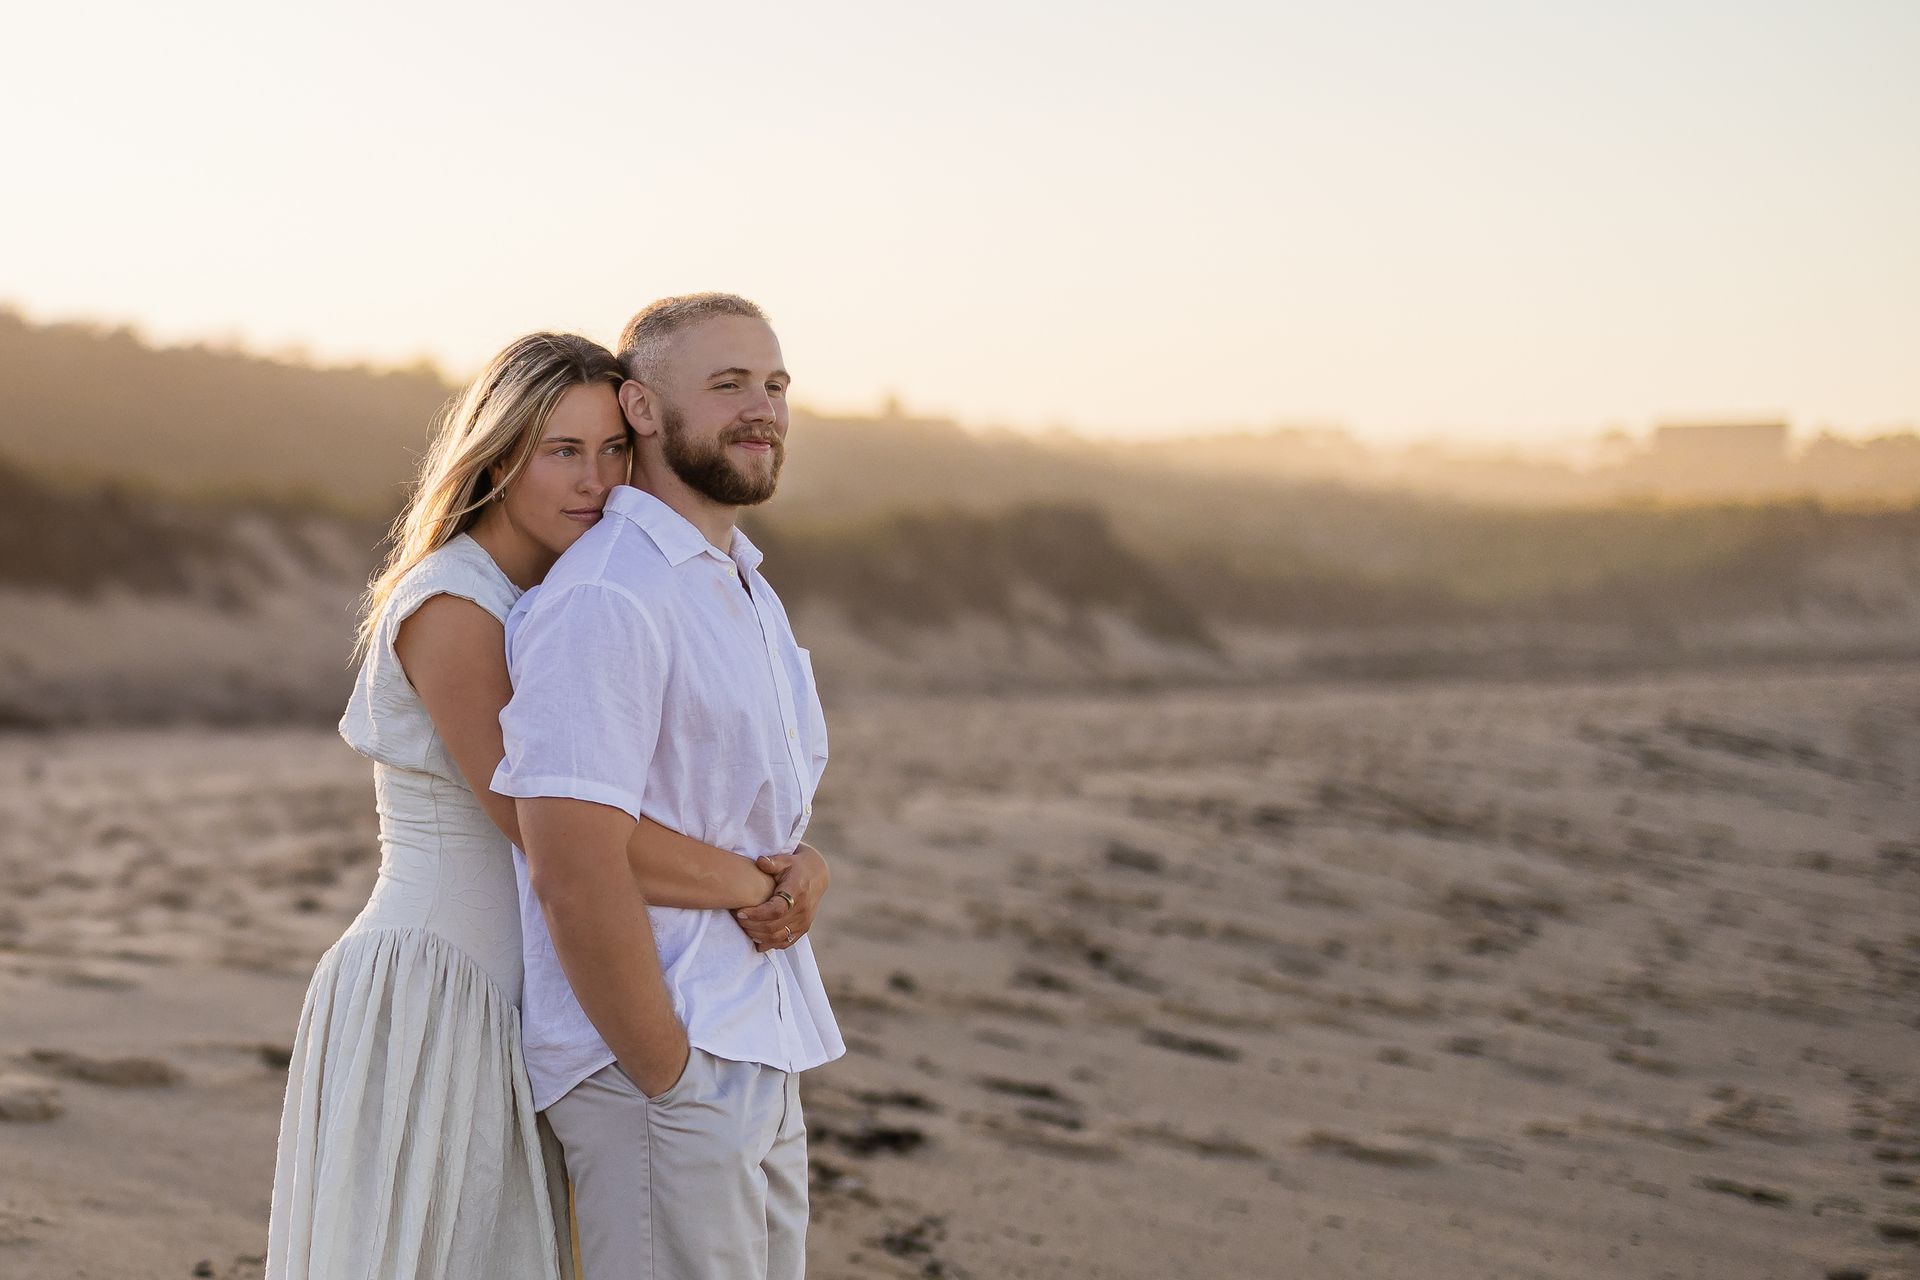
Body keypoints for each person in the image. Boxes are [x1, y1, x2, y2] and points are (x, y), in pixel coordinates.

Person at [265, 331, 830, 1280]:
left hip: (538, 983)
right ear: (497, 458)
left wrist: (798, 863)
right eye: (563, 451)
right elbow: (540, 828)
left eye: (613, 450)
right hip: (446, 981)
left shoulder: (560, 591)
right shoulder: (455, 603)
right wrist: (756, 883)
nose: (596, 480)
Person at [494, 294, 843, 1280]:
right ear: (642, 409)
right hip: (666, 1056)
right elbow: (569, 863)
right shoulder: (609, 593)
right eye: (728, 384)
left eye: (774, 385)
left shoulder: (740, 584)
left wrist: (805, 866)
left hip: (758, 1035)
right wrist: (666, 1072)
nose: (762, 408)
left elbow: (731, 812)